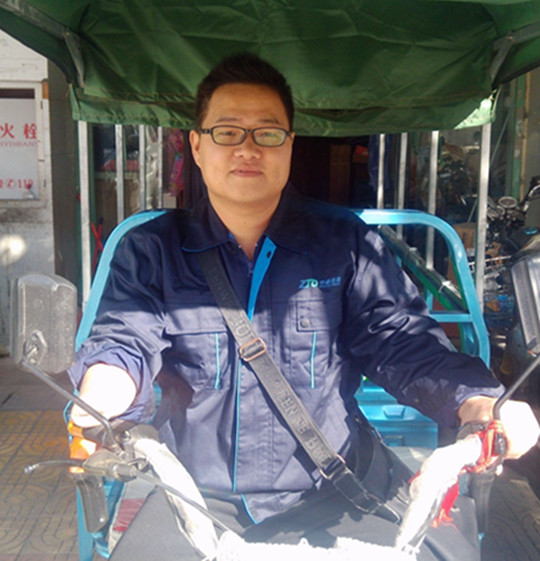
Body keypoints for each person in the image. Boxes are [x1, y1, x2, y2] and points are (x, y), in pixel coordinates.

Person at [69, 53, 539, 561]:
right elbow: (124, 341)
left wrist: (479, 403)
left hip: (339, 485)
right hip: (197, 496)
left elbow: (402, 341)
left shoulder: (348, 244)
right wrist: (101, 397)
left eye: (268, 133)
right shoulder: (151, 250)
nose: (247, 148)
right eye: (227, 131)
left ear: (289, 145)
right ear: (198, 147)